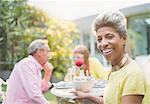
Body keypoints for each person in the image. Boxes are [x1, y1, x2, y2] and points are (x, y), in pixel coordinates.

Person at [72, 10, 150, 104]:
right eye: (99, 39)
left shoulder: (132, 74)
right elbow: (110, 101)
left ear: (124, 38)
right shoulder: (115, 70)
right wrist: (87, 96)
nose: (103, 44)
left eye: (109, 36)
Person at [5, 39, 53, 104]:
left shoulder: (33, 66)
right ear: (39, 52)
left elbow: (39, 91)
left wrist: (48, 73)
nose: (49, 56)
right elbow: (34, 94)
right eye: (47, 52)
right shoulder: (27, 65)